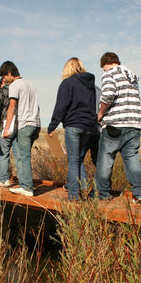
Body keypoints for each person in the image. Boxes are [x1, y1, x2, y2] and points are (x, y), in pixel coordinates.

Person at [95, 52, 141, 204]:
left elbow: (107, 95)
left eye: (103, 68)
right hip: (134, 123)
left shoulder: (109, 74)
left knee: (106, 160)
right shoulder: (131, 76)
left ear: (105, 64)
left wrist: (100, 113)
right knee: (132, 160)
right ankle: (140, 194)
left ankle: (103, 194)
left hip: (114, 124)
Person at [48, 57, 98, 201]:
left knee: (73, 160)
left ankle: (74, 196)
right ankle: (85, 188)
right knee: (79, 159)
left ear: (67, 68)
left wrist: (52, 126)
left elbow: (61, 106)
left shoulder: (67, 83)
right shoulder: (90, 85)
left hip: (74, 126)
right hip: (89, 127)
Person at [1, 61, 41, 197]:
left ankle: (26, 187)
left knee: (23, 157)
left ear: (9, 73)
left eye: (4, 76)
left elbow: (12, 107)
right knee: (24, 155)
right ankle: (26, 184)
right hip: (36, 124)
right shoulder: (31, 84)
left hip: (25, 124)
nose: (4, 80)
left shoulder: (14, 85)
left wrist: (6, 129)